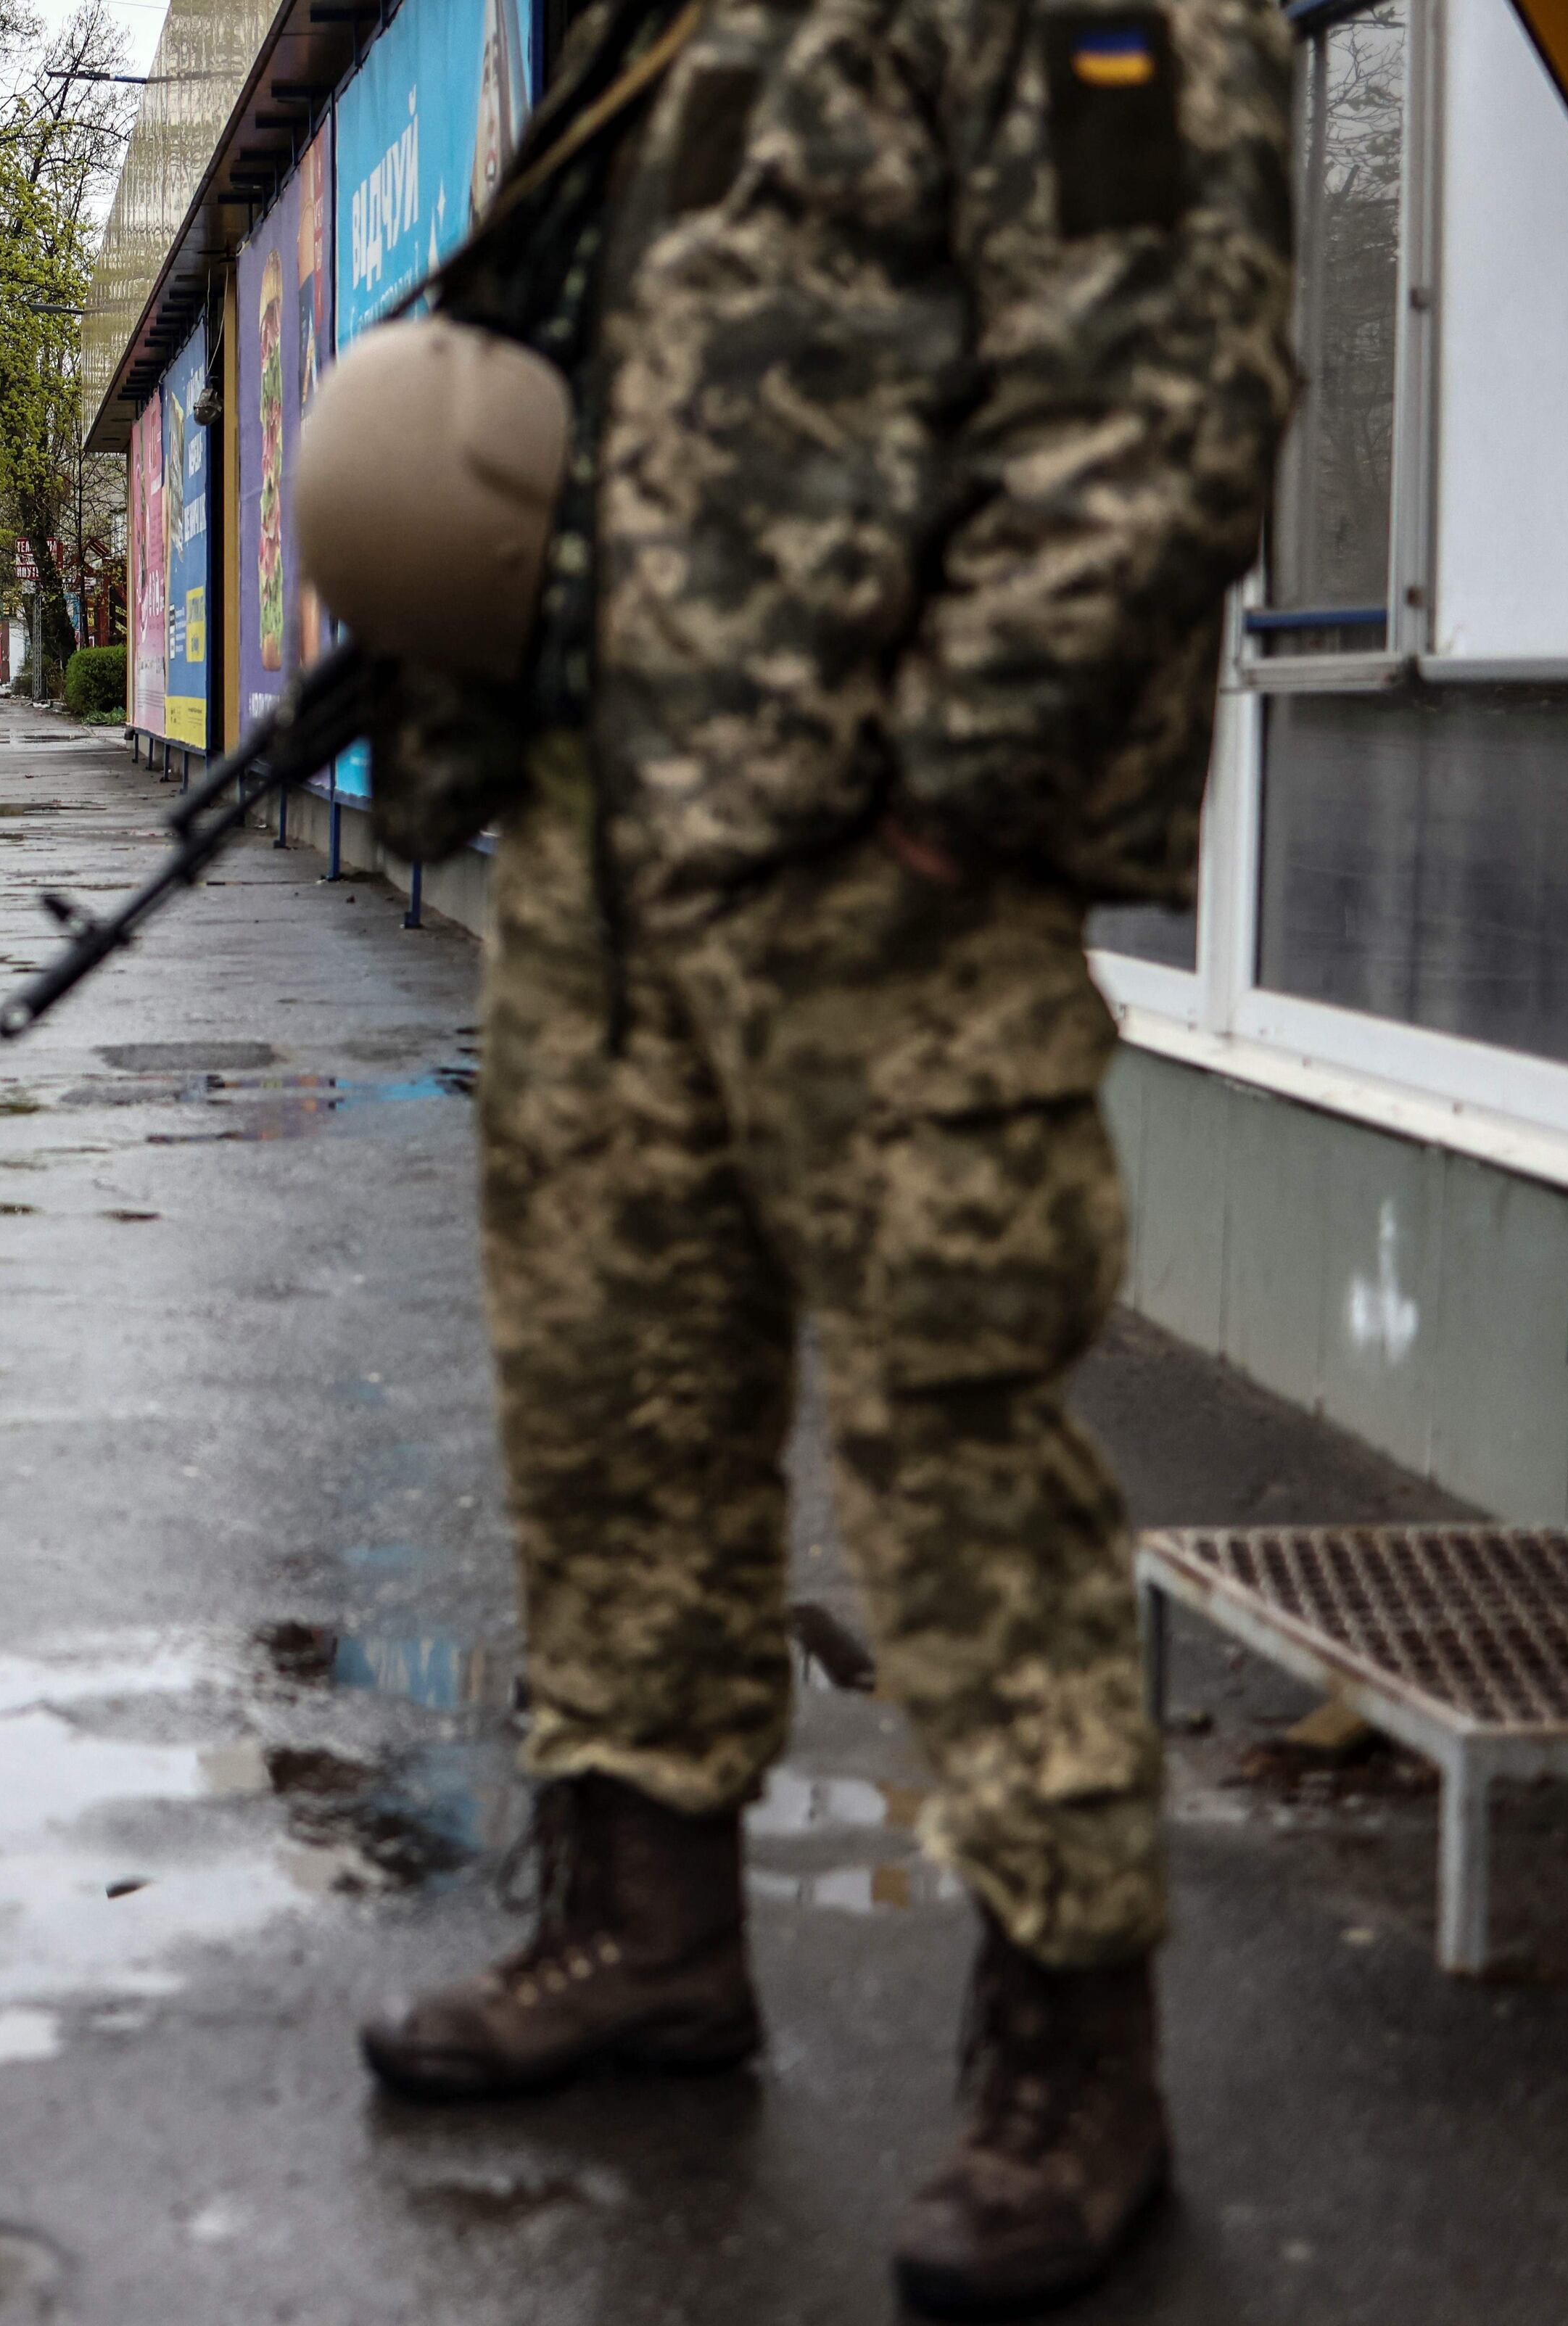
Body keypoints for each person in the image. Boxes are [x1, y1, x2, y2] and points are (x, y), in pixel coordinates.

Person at [347, 4, 1295, 2317]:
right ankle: (643, 1933)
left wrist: (954, 796)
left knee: (951, 1446)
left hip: (885, 869)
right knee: (611, 1414)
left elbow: (1163, 380)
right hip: (603, 854)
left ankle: (1076, 2048)